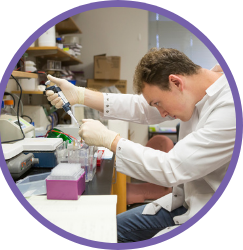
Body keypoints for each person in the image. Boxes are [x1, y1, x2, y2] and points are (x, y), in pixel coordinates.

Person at [45, 48, 236, 242]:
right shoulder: (201, 86)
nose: (161, 113)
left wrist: (110, 140)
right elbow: (143, 107)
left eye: (159, 103)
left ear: (176, 82)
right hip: (185, 202)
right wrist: (79, 95)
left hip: (203, 207)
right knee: (105, 230)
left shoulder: (230, 108)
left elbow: (171, 168)